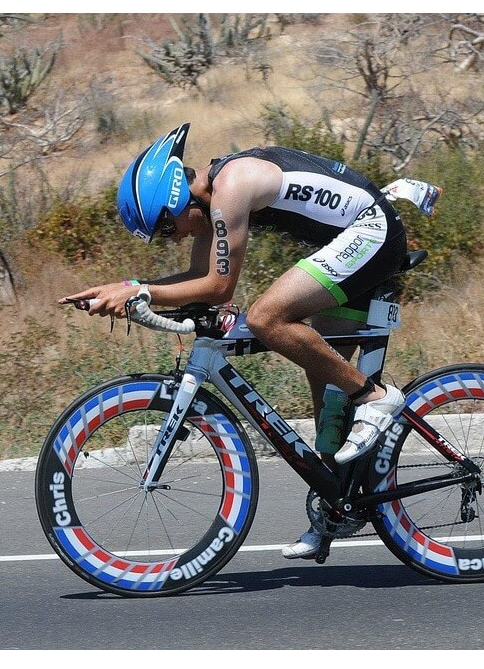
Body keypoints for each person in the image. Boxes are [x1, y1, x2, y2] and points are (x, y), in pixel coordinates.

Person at [59, 123, 416, 559]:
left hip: (371, 232)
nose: (176, 238)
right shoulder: (206, 199)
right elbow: (196, 279)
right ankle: (336, 508)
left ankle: (376, 396)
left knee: (267, 319)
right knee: (328, 396)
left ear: (175, 202)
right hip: (346, 241)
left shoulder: (230, 187)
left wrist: (139, 291)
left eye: (167, 230)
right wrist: (125, 285)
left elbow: (218, 287)